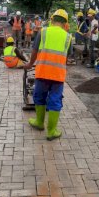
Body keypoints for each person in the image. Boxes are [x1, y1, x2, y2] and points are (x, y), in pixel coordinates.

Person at [23, 9, 72, 141]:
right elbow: (67, 57)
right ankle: (51, 131)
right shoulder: (68, 37)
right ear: (65, 23)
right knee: (55, 100)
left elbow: (34, 51)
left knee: (39, 97)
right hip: (58, 75)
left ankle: (39, 122)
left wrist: (29, 64)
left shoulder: (43, 32)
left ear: (52, 19)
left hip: (42, 72)